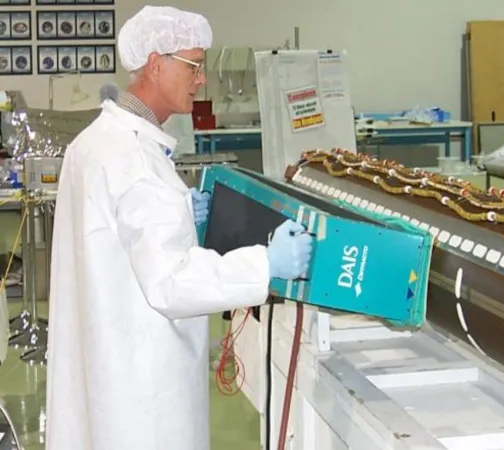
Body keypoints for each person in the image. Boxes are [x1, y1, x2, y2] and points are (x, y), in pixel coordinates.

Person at [44, 6, 312, 450]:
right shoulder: (136, 162)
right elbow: (171, 284)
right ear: (156, 63)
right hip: (142, 398)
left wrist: (180, 216)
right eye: (194, 65)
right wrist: (266, 263)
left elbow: (111, 240)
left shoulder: (94, 142)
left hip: (105, 371)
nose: (202, 78)